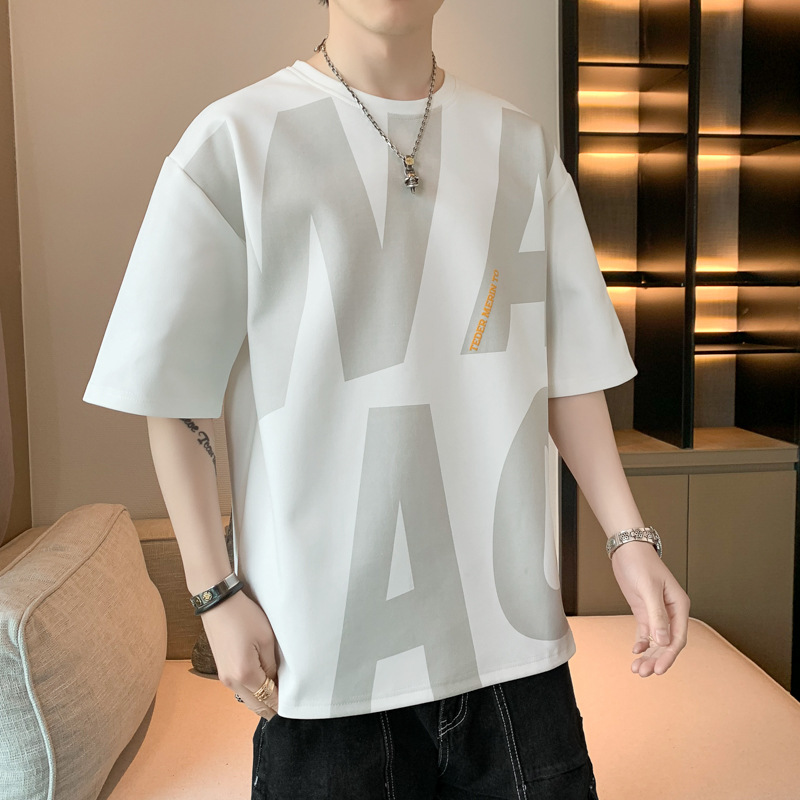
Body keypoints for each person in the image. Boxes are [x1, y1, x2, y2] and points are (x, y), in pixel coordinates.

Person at [83, 0, 691, 797]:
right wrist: (213, 594)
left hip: (513, 653)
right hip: (322, 661)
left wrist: (628, 536)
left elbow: (565, 365)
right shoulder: (232, 142)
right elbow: (172, 390)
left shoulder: (518, 146)